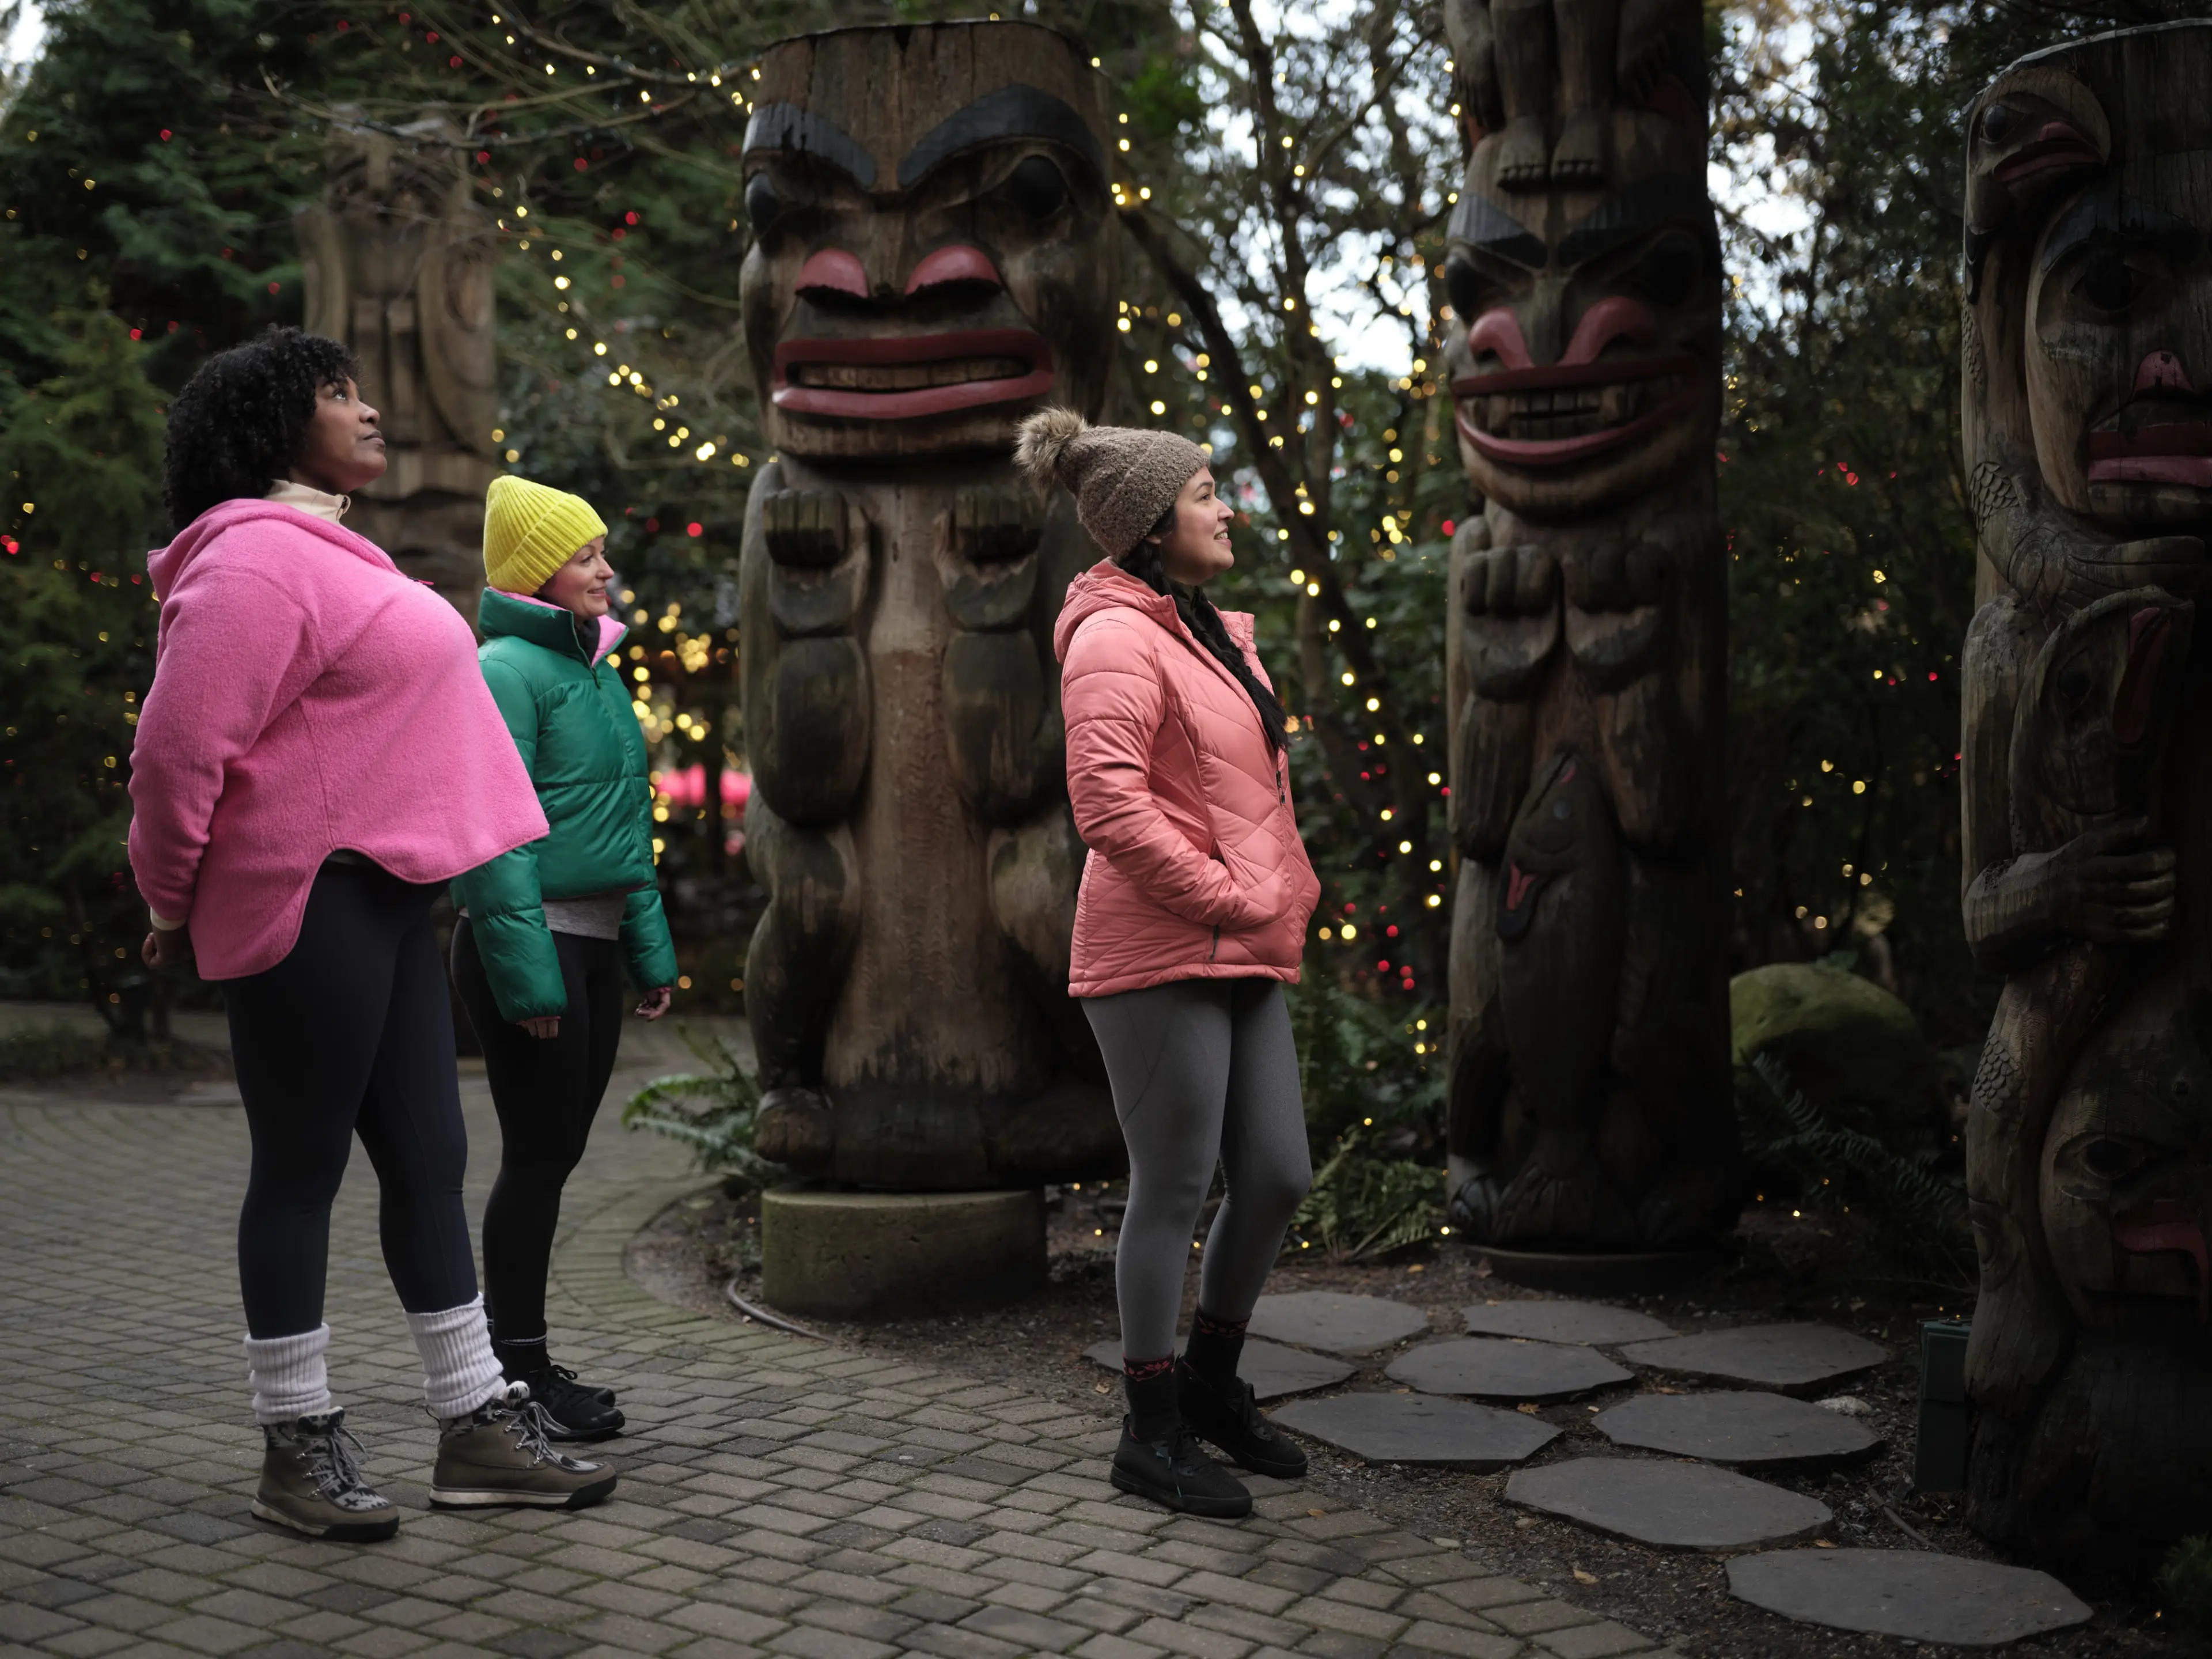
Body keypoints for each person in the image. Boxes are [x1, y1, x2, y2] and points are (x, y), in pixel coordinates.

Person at [129, 328, 619, 1541]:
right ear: (272, 429)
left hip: (392, 896)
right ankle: (296, 1444)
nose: (369, 410)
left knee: (432, 1162)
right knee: (301, 1171)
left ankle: (471, 1429)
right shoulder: (246, 565)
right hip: (310, 895)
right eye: (336, 395)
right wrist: (166, 898)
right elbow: (177, 752)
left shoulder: (329, 552)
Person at [1018, 408, 1323, 1518]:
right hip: (1157, 951)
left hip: (1239, 943)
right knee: (1175, 1187)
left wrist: (1284, 891)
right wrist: (1232, 896)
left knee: (1280, 1172)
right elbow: (1107, 805)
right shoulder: (1112, 640)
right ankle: (1149, 1433)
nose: (1224, 507)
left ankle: (1208, 1384)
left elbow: (1250, 792)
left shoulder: (1204, 630)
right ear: (1149, 526)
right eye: (1204, 493)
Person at [449, 476, 678, 1440]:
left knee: (558, 1154)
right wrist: (530, 973)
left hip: (587, 948)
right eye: (587, 555)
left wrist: (648, 952)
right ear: (539, 569)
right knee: (538, 1156)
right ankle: (517, 1368)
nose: (606, 569)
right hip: (531, 947)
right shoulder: (504, 668)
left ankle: (520, 1355)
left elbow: (622, 826)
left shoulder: (595, 670)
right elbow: (490, 833)